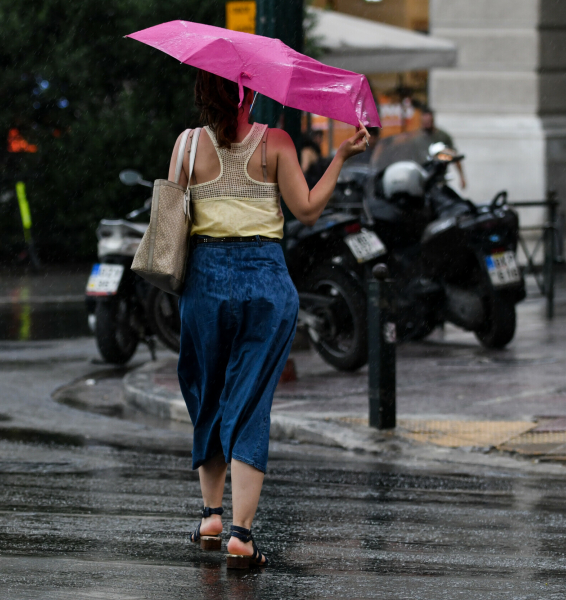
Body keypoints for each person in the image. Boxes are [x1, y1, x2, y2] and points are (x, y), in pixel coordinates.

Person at [171, 71, 369, 569]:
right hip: (265, 282)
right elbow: (305, 210)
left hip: (205, 281)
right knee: (251, 401)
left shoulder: (187, 146)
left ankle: (211, 517)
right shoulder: (275, 143)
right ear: (249, 94)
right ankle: (241, 535)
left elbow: (173, 217)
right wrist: (340, 156)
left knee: (208, 393)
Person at [418, 108, 466, 189]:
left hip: (439, 179)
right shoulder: (417, 138)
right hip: (421, 179)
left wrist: (462, 177)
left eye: (429, 121)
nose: (426, 124)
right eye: (425, 122)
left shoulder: (443, 136)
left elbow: (454, 156)